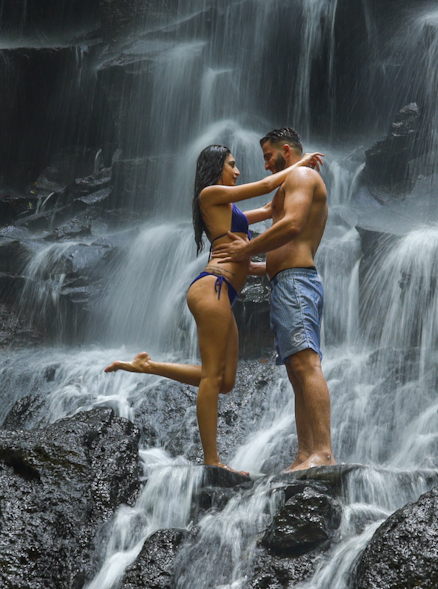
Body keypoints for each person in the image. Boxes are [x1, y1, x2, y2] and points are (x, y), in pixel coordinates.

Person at [104, 142, 322, 473]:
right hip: (212, 289)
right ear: (215, 167)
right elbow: (265, 186)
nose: (237, 171)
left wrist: (293, 189)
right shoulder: (209, 195)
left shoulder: (229, 213)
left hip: (223, 296)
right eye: (232, 165)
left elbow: (266, 208)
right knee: (211, 379)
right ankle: (212, 461)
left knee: (224, 381)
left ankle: (147, 366)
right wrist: (303, 164)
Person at [220, 126, 333, 471]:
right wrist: (249, 264)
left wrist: (246, 250)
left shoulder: (300, 176)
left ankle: (323, 453)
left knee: (306, 364)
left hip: (296, 282)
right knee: (295, 371)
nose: (267, 166)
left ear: (286, 150)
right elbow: (272, 212)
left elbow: (293, 225)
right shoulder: (292, 180)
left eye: (269, 157)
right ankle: (304, 453)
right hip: (285, 282)